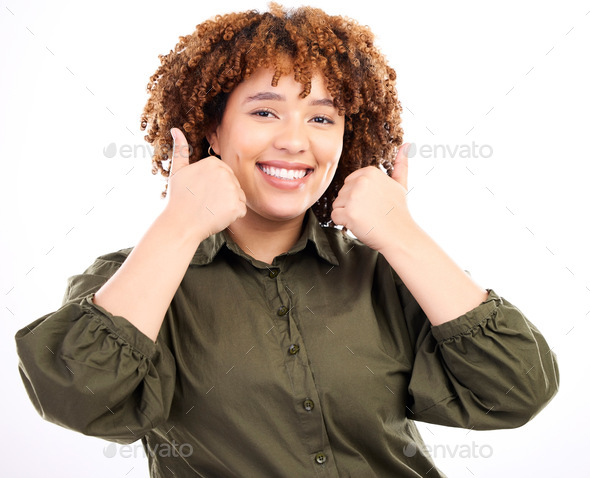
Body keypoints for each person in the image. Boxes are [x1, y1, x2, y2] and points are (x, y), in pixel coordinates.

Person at [15, 3, 559, 477]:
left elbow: (518, 391)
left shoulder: (387, 273)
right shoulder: (139, 283)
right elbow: (73, 395)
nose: (295, 140)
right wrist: (177, 227)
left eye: (322, 118)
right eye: (265, 111)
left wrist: (402, 234)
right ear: (212, 129)